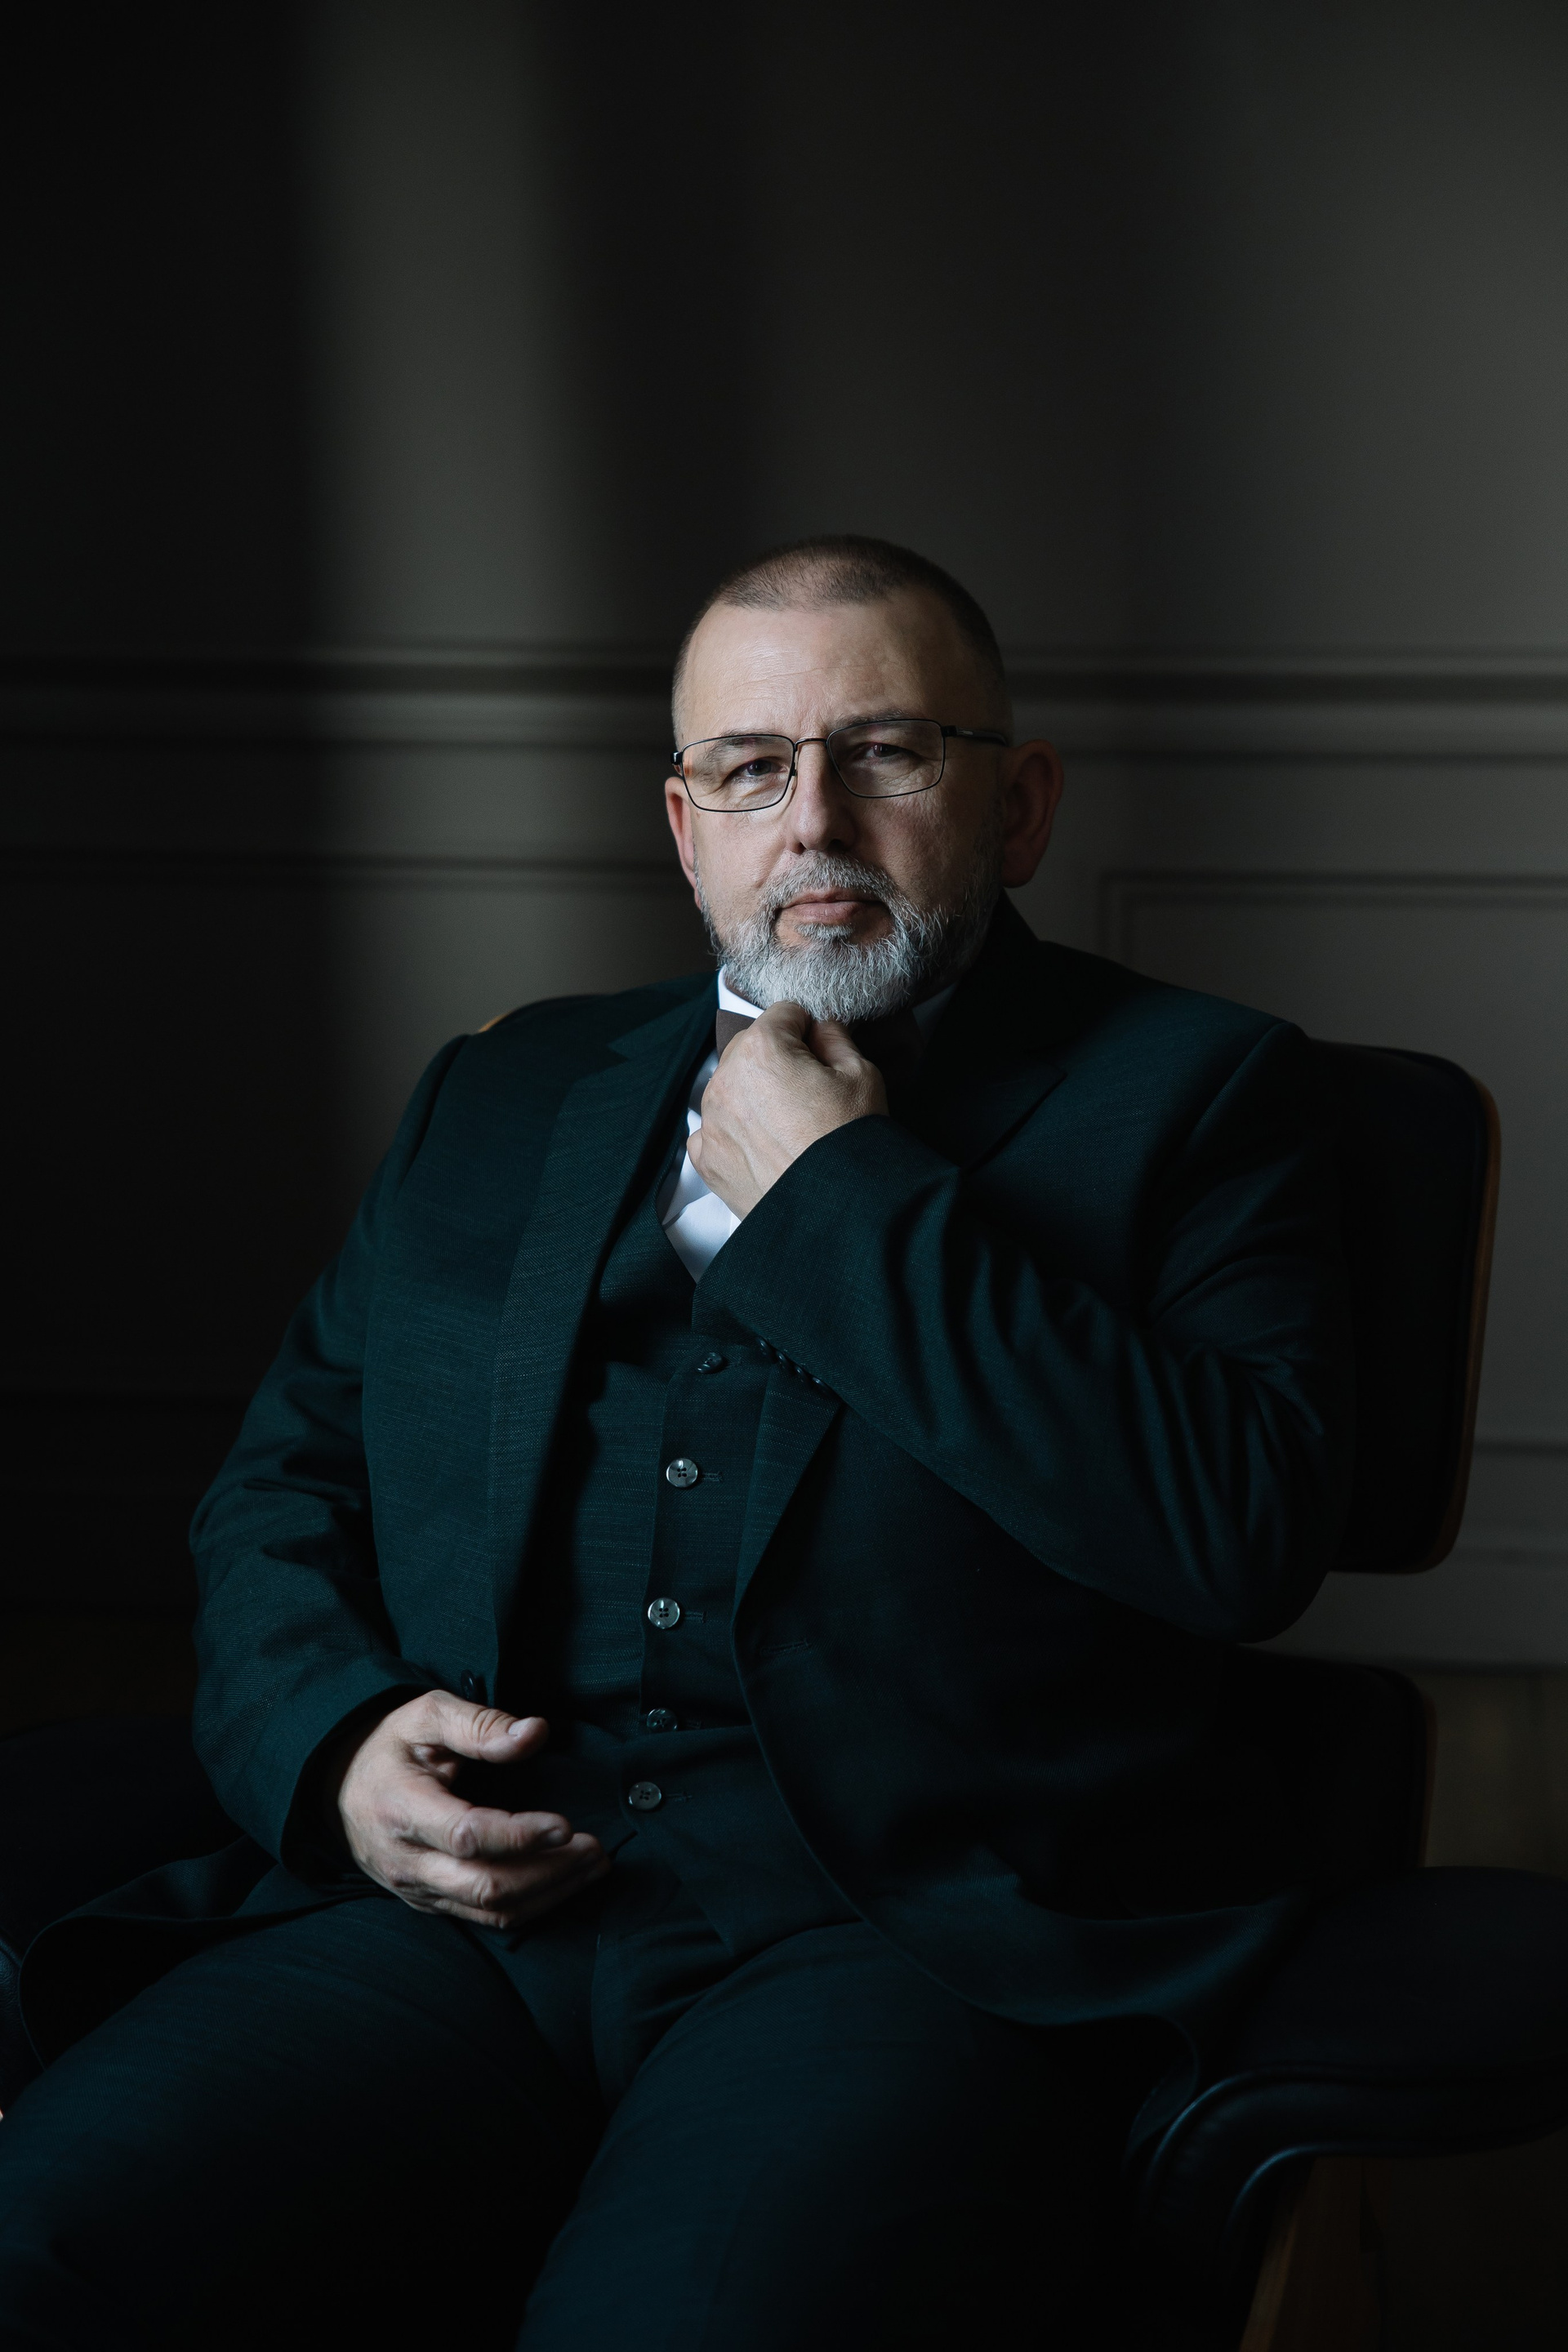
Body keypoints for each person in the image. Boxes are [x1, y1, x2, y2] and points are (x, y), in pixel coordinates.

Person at [0, 536, 1352, 2350]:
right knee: (44, 2248)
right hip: (463, 1917)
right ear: (683, 822)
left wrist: (842, 1197)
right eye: (749, 767)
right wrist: (333, 1749)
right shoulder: (505, 1089)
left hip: (904, 1945)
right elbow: (284, 1488)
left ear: (1021, 806)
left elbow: (1231, 1531)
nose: (813, 824)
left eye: (888, 754)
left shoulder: (1211, 1096)